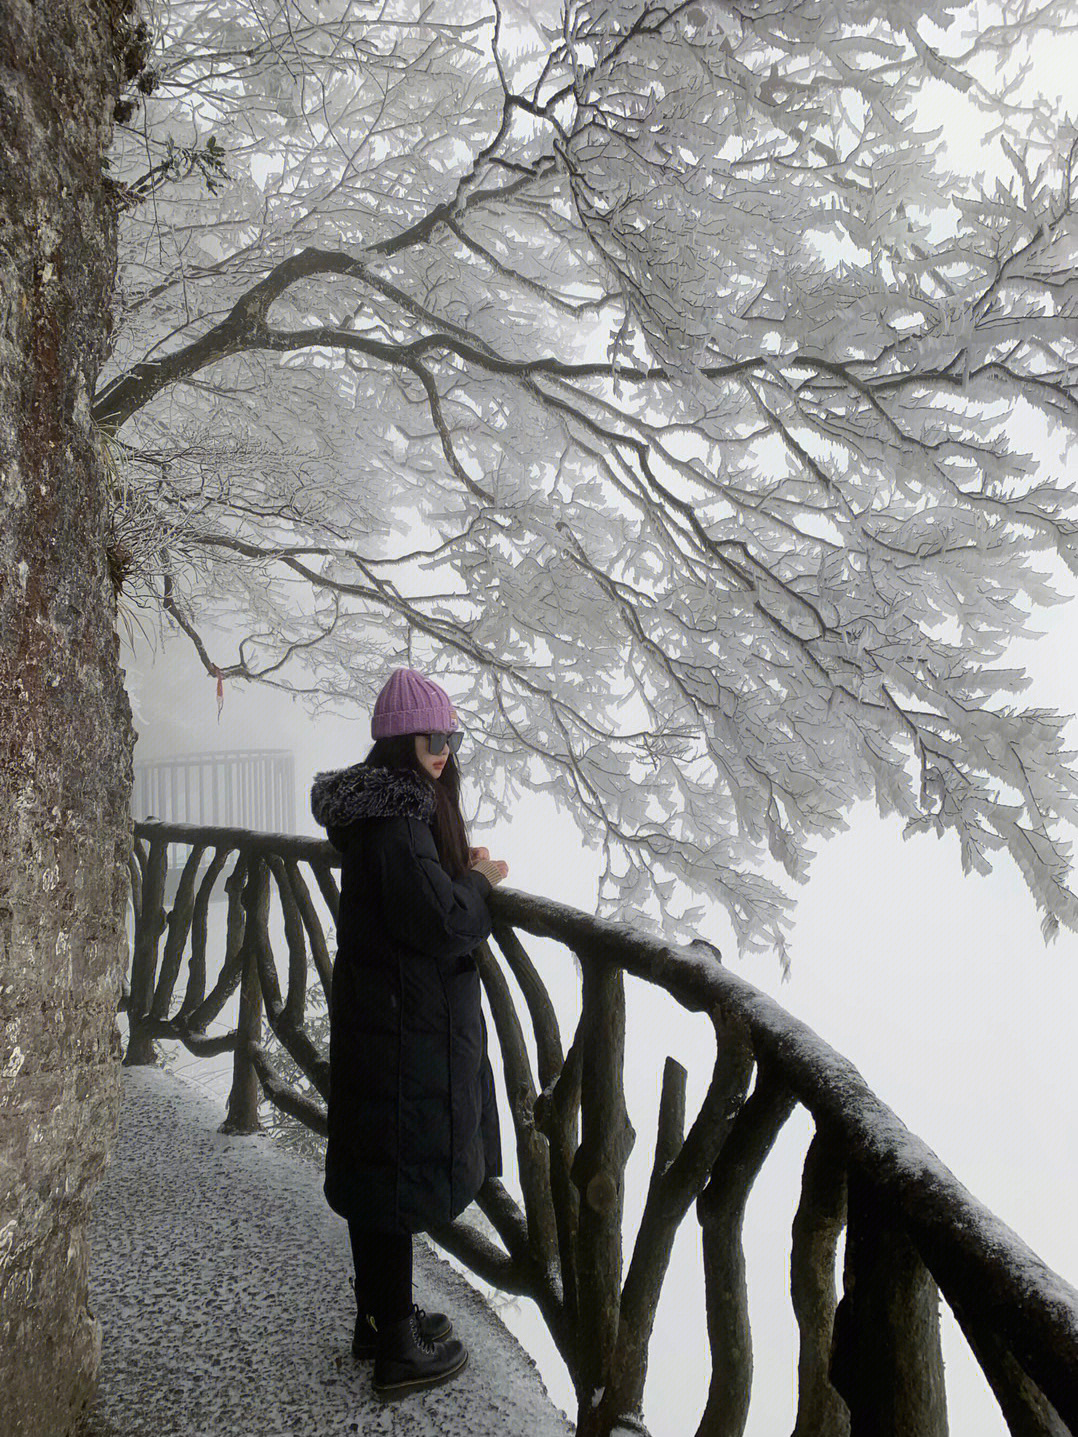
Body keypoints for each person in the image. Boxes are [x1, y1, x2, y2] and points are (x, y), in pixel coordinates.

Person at [309, 666, 509, 1400]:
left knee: (378, 1169)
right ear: (400, 742)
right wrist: (482, 881)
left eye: (451, 737)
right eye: (432, 738)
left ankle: (379, 1319)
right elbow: (443, 919)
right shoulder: (397, 818)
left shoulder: (383, 812)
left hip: (385, 1013)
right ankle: (396, 1347)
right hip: (399, 1023)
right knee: (389, 1175)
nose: (444, 751)